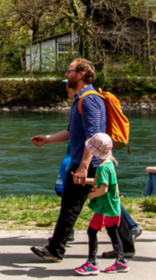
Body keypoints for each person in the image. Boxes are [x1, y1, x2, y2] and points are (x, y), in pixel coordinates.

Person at [28, 58, 106, 263]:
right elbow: (73, 132)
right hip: (83, 161)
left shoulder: (89, 99)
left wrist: (83, 167)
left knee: (70, 207)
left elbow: (93, 137)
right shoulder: (81, 99)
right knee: (99, 201)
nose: (66, 74)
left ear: (81, 75)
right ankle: (128, 239)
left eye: (69, 70)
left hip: (85, 163)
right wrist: (48, 139)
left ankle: (55, 250)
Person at [76, 133, 126, 275]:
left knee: (91, 231)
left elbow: (103, 189)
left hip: (104, 207)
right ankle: (121, 261)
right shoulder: (109, 164)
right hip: (113, 206)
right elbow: (104, 183)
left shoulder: (102, 168)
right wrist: (85, 180)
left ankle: (91, 263)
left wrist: (91, 194)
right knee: (113, 232)